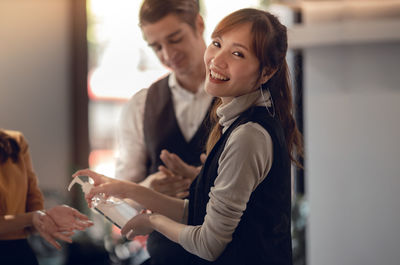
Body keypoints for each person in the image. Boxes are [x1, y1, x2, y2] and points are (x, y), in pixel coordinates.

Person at [76, 8, 303, 265]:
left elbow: (210, 243)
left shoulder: (247, 133)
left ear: (267, 72)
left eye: (237, 53)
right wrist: (128, 188)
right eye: (217, 44)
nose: (217, 60)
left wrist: (153, 220)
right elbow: (194, 212)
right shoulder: (231, 119)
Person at [114, 0, 213, 264]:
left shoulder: (239, 97)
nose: (168, 55)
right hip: (165, 256)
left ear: (199, 25)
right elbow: (119, 202)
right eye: (156, 47)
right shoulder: (140, 105)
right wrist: (149, 188)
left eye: (175, 39)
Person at [0, 129, 93, 265]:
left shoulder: (15, 141)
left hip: (20, 251)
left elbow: (33, 200)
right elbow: (32, 216)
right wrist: (33, 218)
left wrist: (45, 219)